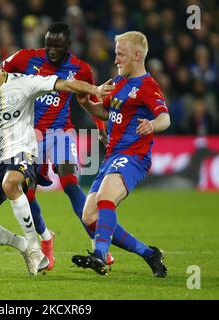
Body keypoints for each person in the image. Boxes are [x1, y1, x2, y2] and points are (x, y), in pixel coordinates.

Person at [0, 39, 110, 276]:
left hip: (24, 153)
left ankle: (36, 249)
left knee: (11, 183)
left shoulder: (24, 84)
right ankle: (24, 247)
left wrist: (94, 89)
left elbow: (66, 84)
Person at [71, 31, 170, 277]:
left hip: (134, 155)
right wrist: (85, 103)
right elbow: (104, 112)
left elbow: (165, 118)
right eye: (116, 54)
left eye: (120, 54)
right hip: (112, 156)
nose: (116, 59)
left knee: (106, 197)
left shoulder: (147, 86)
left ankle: (100, 255)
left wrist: (151, 125)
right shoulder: (117, 82)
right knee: (89, 216)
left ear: (137, 56)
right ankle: (149, 254)